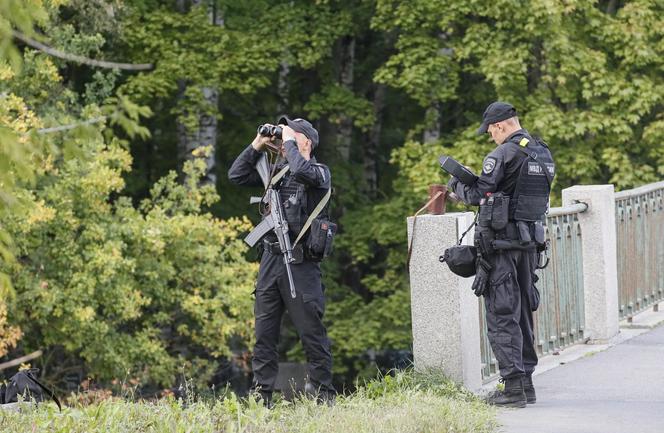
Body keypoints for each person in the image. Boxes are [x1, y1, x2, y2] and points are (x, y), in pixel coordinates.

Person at [447, 102, 555, 408]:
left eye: (490, 132)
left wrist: (457, 185)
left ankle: (511, 389)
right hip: (528, 246)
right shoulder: (542, 152)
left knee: (502, 314)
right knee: (521, 314)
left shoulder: (503, 154)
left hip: (502, 248)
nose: (490, 137)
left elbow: (482, 194)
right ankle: (526, 385)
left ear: (500, 126)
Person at [228, 116, 335, 406]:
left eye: (293, 135)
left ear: (307, 143)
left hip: (301, 265)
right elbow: (236, 175)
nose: (284, 139)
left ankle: (325, 395)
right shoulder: (276, 172)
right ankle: (261, 397)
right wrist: (258, 144)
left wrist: (288, 140)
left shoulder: (319, 173)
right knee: (264, 334)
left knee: (311, 333)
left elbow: (303, 170)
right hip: (270, 262)